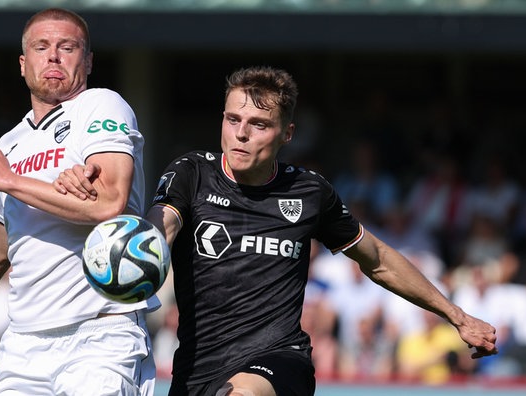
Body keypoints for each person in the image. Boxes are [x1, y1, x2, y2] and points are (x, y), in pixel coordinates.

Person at [55, 66, 498, 396]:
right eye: (233, 120)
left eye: (259, 125)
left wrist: (457, 315)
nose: (241, 134)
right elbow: (163, 224)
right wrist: (137, 248)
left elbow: (378, 260)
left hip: (280, 362)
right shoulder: (191, 173)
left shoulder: (309, 191)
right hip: (197, 370)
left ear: (287, 133)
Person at [0, 8, 158, 395]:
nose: (54, 56)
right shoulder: (10, 143)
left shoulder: (100, 105)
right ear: (24, 65)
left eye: (67, 47)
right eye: (41, 47)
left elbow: (108, 203)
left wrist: (8, 180)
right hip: (24, 344)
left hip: (100, 334)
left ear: (88, 61)